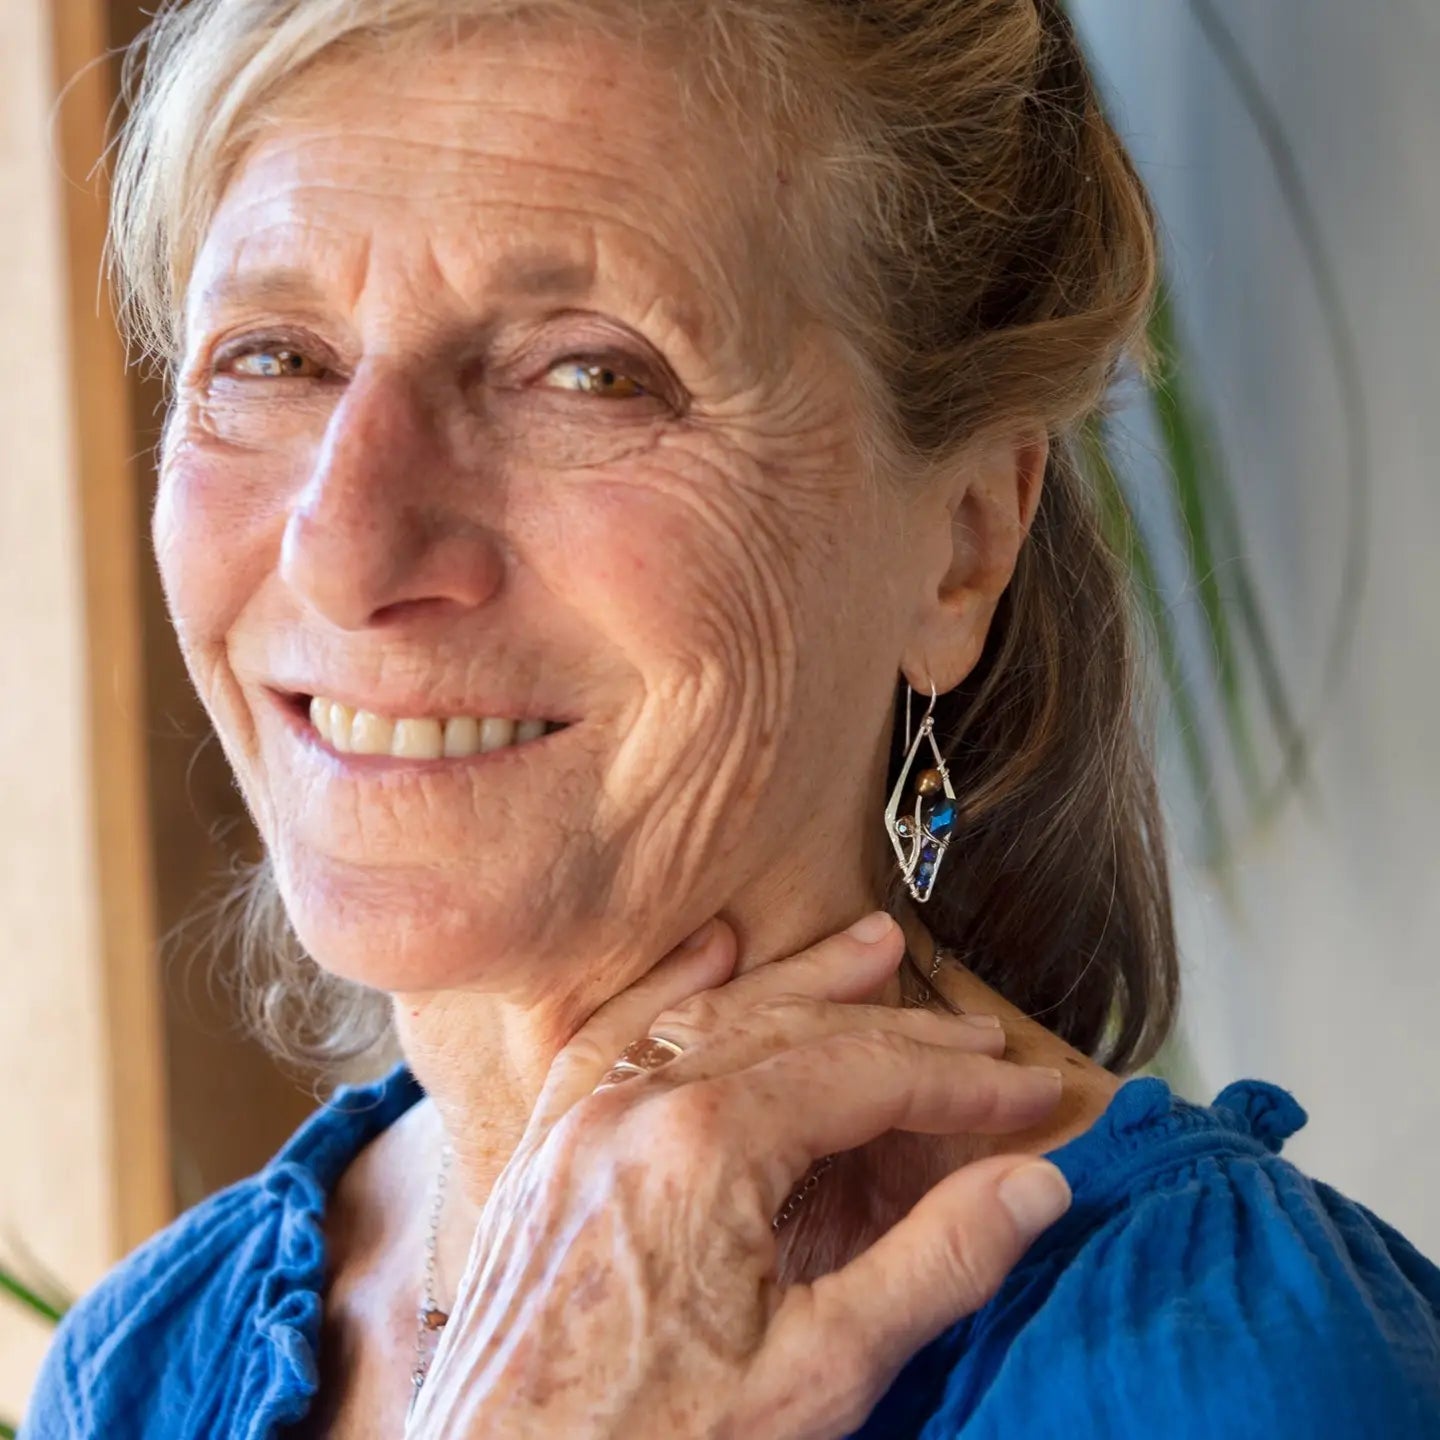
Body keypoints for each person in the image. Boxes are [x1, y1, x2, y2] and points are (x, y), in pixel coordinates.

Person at [21, 0, 1440, 1436]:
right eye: (272, 357)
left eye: (590, 372)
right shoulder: (140, 1370)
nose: (344, 549)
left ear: (961, 544)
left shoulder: (1234, 1381)